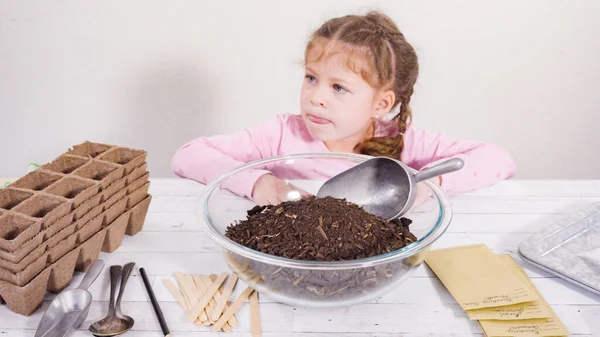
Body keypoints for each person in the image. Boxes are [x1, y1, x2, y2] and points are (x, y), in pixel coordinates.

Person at [171, 11, 515, 206]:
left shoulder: (402, 141)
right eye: (311, 78)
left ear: (380, 104)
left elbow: (498, 158)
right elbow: (188, 155)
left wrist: (430, 183)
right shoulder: (280, 134)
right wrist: (260, 182)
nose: (316, 97)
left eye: (338, 87)